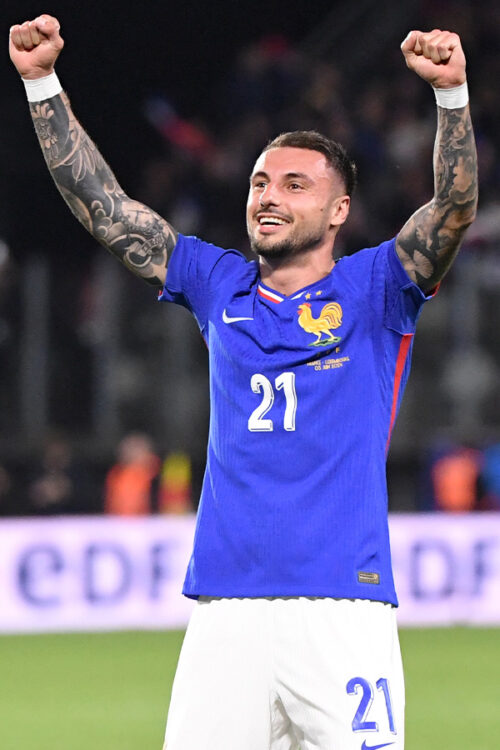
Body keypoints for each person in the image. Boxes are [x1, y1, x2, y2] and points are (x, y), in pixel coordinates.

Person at [9, 15, 477, 750]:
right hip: (225, 610)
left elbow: (452, 212)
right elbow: (107, 208)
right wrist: (42, 84)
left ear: (339, 211)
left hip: (341, 608)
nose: (269, 196)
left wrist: (451, 97)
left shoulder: (378, 288)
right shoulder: (216, 282)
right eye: (260, 182)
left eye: (295, 184)